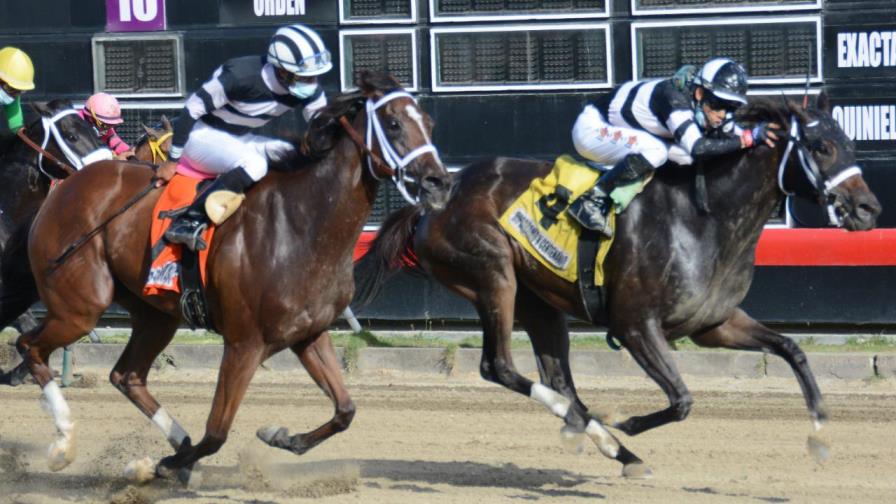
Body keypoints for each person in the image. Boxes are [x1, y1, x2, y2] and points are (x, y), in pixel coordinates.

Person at [161, 23, 332, 251]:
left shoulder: (307, 88)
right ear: (283, 71)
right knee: (255, 164)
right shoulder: (239, 76)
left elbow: (323, 124)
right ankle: (188, 221)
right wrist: (172, 160)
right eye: (305, 77)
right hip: (200, 137)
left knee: (292, 154)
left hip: (240, 139)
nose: (312, 83)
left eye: (314, 77)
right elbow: (192, 109)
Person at [568, 57, 781, 237]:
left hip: (623, 131)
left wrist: (762, 133)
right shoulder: (673, 98)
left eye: (731, 107)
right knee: (657, 151)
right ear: (700, 94)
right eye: (719, 104)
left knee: (683, 157)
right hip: (592, 130)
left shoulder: (703, 104)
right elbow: (699, 148)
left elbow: (739, 135)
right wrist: (747, 140)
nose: (722, 115)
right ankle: (591, 200)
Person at [79, 92, 134, 160]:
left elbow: (116, 143)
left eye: (112, 124)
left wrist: (131, 151)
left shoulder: (104, 127)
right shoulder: (76, 126)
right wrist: (114, 158)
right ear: (91, 118)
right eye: (106, 124)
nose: (109, 127)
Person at [0, 46, 35, 135]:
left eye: (20, 91)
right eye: (11, 89)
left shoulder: (13, 95)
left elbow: (17, 127)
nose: (13, 95)